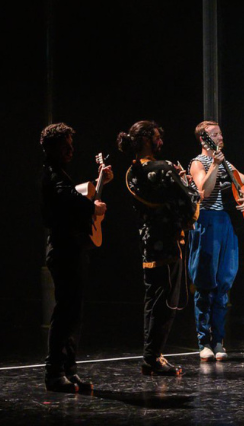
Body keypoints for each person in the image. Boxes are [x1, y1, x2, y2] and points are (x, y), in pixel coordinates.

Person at [119, 120, 200, 376]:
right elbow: (189, 202)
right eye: (156, 137)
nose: (161, 142)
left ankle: (151, 355)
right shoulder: (163, 168)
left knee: (152, 301)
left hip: (147, 244)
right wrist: (187, 181)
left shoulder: (131, 172)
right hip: (168, 243)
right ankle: (152, 357)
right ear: (145, 140)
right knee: (165, 304)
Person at [40, 123, 113, 392]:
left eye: (71, 143)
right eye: (65, 145)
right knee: (65, 313)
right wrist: (91, 207)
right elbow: (67, 199)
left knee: (73, 314)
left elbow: (76, 195)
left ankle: (69, 369)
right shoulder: (51, 174)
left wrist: (99, 183)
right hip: (63, 250)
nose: (71, 149)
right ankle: (54, 372)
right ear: (51, 148)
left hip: (74, 249)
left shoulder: (60, 174)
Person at [188, 121, 244, 362]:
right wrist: (215, 166)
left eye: (220, 133)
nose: (220, 137)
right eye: (214, 134)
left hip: (226, 224)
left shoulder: (228, 164)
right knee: (205, 283)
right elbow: (203, 192)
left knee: (223, 284)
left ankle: (219, 340)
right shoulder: (199, 162)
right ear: (203, 140)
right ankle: (203, 341)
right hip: (207, 222)